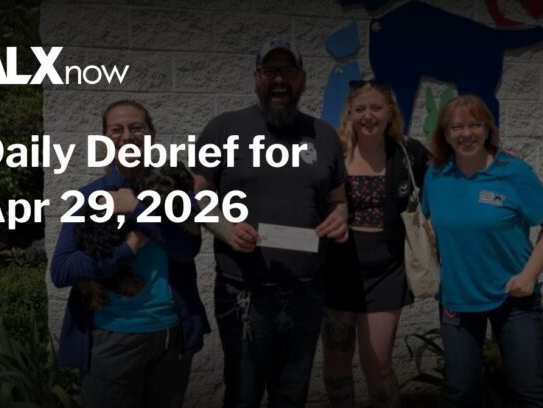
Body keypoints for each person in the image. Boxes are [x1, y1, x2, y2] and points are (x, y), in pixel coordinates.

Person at [191, 39, 349, 408]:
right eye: (270, 71)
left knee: (292, 396)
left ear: (302, 79)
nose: (279, 80)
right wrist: (226, 228)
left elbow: (339, 201)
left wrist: (340, 218)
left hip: (307, 292)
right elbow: (198, 194)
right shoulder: (223, 128)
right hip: (244, 292)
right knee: (243, 395)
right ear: (256, 78)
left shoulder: (324, 134)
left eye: (288, 71)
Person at [50, 100, 209, 408]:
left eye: (137, 128)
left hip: (170, 334)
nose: (127, 136)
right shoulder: (88, 197)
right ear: (105, 139)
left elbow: (188, 249)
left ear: (152, 134)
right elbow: (62, 271)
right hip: (111, 336)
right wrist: (127, 248)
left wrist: (136, 210)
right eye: (117, 129)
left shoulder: (175, 187)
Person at [420, 94, 543, 407]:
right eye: (456, 127)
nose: (466, 133)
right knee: (462, 392)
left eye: (474, 125)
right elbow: (419, 226)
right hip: (457, 297)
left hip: (514, 297)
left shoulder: (514, 172)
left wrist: (529, 275)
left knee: (529, 392)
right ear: (445, 134)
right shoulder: (436, 176)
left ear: (487, 129)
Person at [321, 79, 428, 407]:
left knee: (378, 364)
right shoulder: (334, 152)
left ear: (390, 112)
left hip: (387, 272)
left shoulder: (409, 153)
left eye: (377, 108)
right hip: (337, 271)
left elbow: (444, 184)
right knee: (337, 364)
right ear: (350, 113)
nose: (368, 115)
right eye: (361, 109)